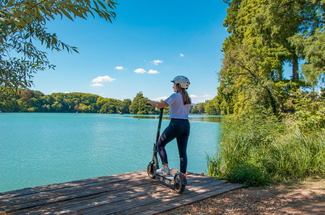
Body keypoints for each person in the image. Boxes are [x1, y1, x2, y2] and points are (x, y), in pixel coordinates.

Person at [147, 75, 191, 175]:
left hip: (176, 124)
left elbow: (160, 105)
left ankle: (165, 167)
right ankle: (182, 175)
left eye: (174, 84)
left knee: (160, 144)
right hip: (186, 125)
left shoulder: (175, 96)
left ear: (179, 85)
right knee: (182, 152)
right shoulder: (187, 98)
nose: (173, 87)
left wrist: (150, 102)